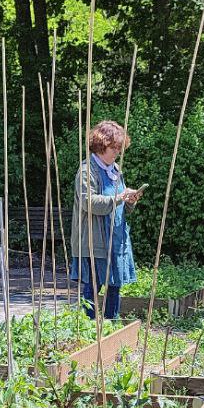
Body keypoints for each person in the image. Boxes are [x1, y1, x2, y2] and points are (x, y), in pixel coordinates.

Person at [70, 120, 142, 320]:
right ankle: (89, 326)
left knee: (114, 284)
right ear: (102, 145)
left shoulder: (115, 170)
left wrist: (130, 199)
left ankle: (112, 323)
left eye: (119, 148)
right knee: (94, 286)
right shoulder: (87, 170)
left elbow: (120, 203)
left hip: (116, 237)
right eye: (114, 148)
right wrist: (120, 198)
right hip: (95, 241)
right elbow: (89, 203)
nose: (117, 152)